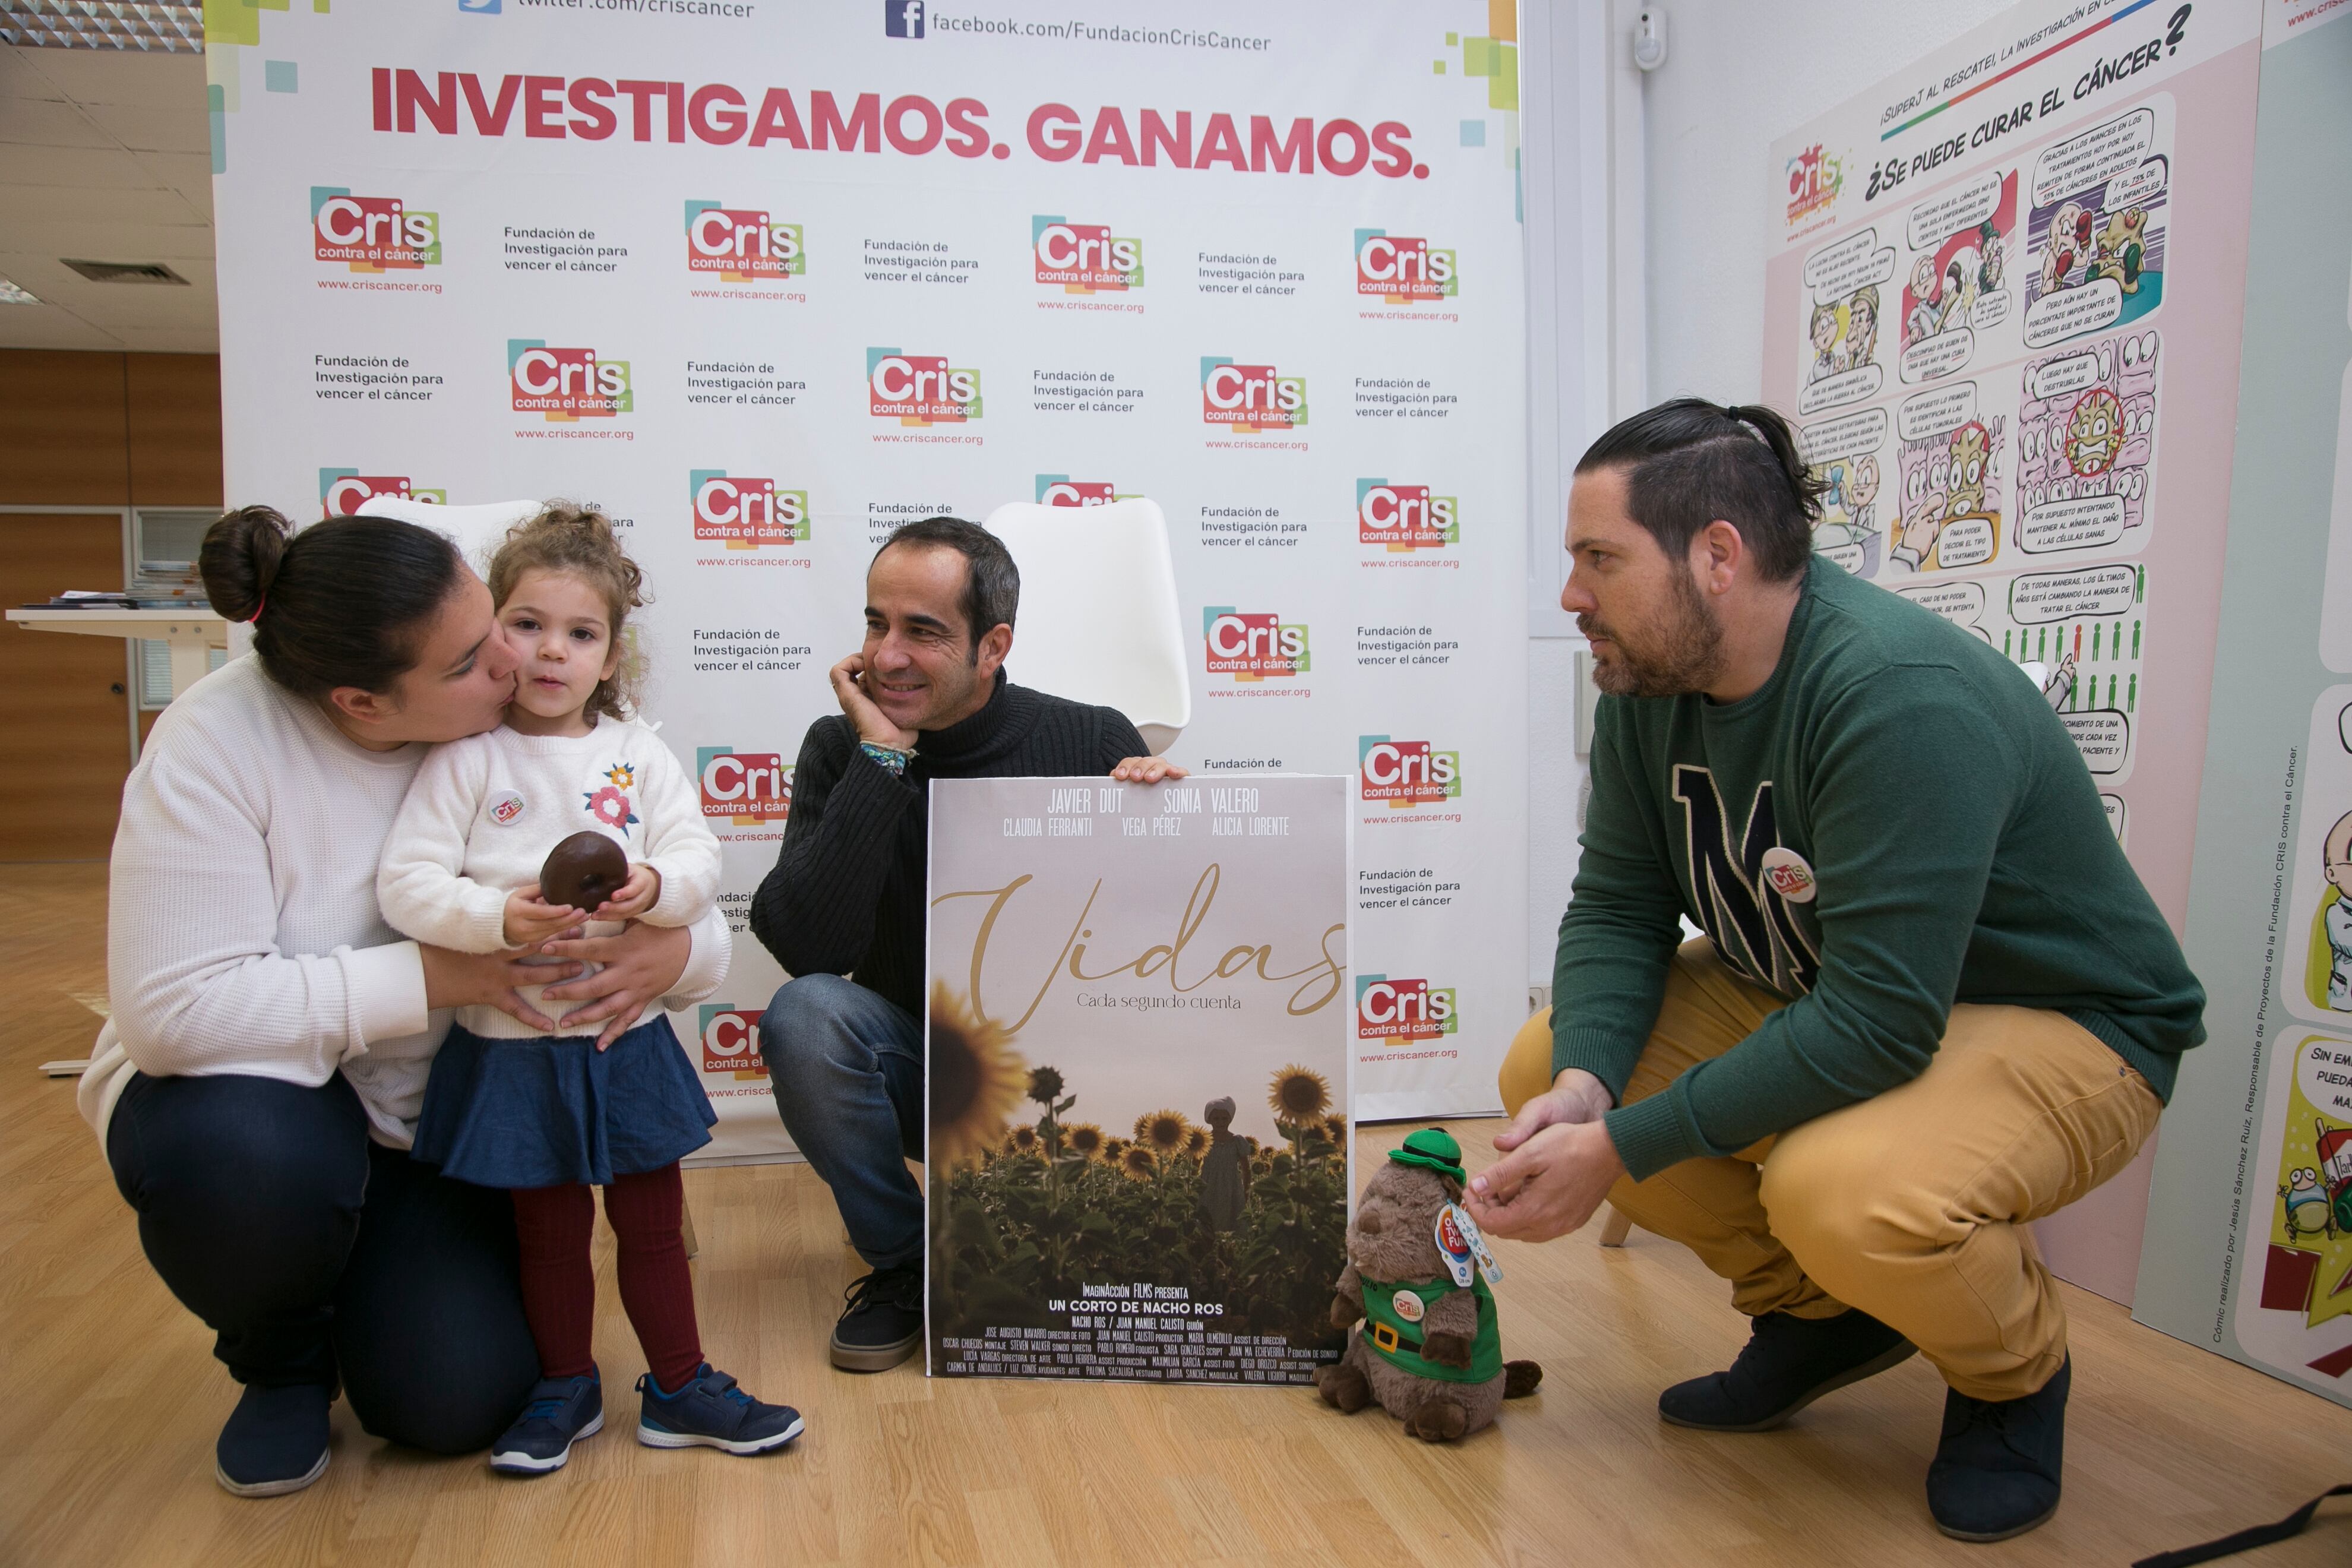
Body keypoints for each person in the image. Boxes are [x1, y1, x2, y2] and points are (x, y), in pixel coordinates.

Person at [1469, 399, 2204, 1543]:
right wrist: (1583, 1098)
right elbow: (1618, 907)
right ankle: (1818, 1318)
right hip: (1843, 990)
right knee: (1543, 1065)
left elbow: (1880, 1021)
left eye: (1598, 560)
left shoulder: (1898, 694)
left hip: (2063, 1021)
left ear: (1718, 555)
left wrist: (1624, 1143)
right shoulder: (1649, 684)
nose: (1574, 598)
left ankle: (2012, 1378)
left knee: (1844, 1189)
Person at [81, 505, 732, 1497]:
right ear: (366, 704)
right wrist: (440, 976)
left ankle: (385, 1295)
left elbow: (662, 869)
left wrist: (679, 944)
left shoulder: (553, 717)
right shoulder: (218, 743)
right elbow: (173, 1012)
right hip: (266, 1096)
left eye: (507, 627)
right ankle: (282, 1356)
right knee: (239, 1156)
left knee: (453, 1404)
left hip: (444, 1107)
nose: (519, 666)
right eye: (480, 655)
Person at [378, 505, 800, 1475]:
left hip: (626, 1041)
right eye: (526, 625)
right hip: (512, 1045)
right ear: (490, 631)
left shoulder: (637, 756)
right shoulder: (464, 760)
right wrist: (495, 921)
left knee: (652, 1226)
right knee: (549, 1235)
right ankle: (564, 1386)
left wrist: (657, 890)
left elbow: (697, 854)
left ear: (612, 656)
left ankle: (681, 1386)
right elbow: (408, 885)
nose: (551, 652)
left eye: (580, 633)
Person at [752, 515, 1179, 1371]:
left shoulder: (1092, 739)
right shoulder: (843, 746)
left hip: (1075, 1084)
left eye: (923, 631)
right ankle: (909, 1264)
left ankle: (1051, 1218)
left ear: (993, 646)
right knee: (806, 1016)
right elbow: (804, 945)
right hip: (930, 1070)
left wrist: (1166, 822)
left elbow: (1165, 950)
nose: (887, 655)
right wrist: (882, 763)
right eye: (877, 623)